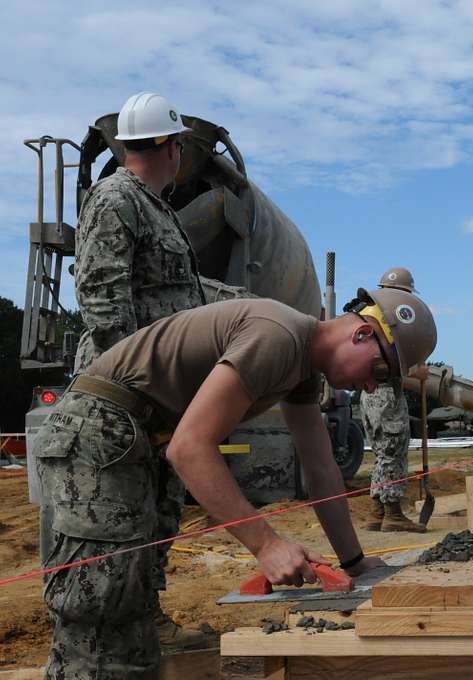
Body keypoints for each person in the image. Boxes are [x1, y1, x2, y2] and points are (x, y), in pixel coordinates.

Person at [35, 289, 436, 679]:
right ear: (362, 334)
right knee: (99, 605)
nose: (370, 387)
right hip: (101, 428)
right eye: (380, 372)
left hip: (137, 434)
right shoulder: (276, 335)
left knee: (134, 594)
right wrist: (267, 545)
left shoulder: (303, 368)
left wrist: (354, 563)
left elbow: (321, 468)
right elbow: (190, 448)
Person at [70, 91, 210, 649]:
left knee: (159, 508)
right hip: (127, 396)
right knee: (122, 518)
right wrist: (138, 393)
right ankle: (124, 630)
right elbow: (104, 304)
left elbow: (172, 297)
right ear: (172, 147)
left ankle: (148, 619)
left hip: (156, 394)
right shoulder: (115, 199)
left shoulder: (154, 207)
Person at [360, 267, 425, 533]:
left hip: (369, 393)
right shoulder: (388, 316)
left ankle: (377, 513)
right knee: (392, 451)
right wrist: (413, 371)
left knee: (381, 453)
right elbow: (391, 357)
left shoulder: (366, 312)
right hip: (386, 392)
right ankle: (393, 514)